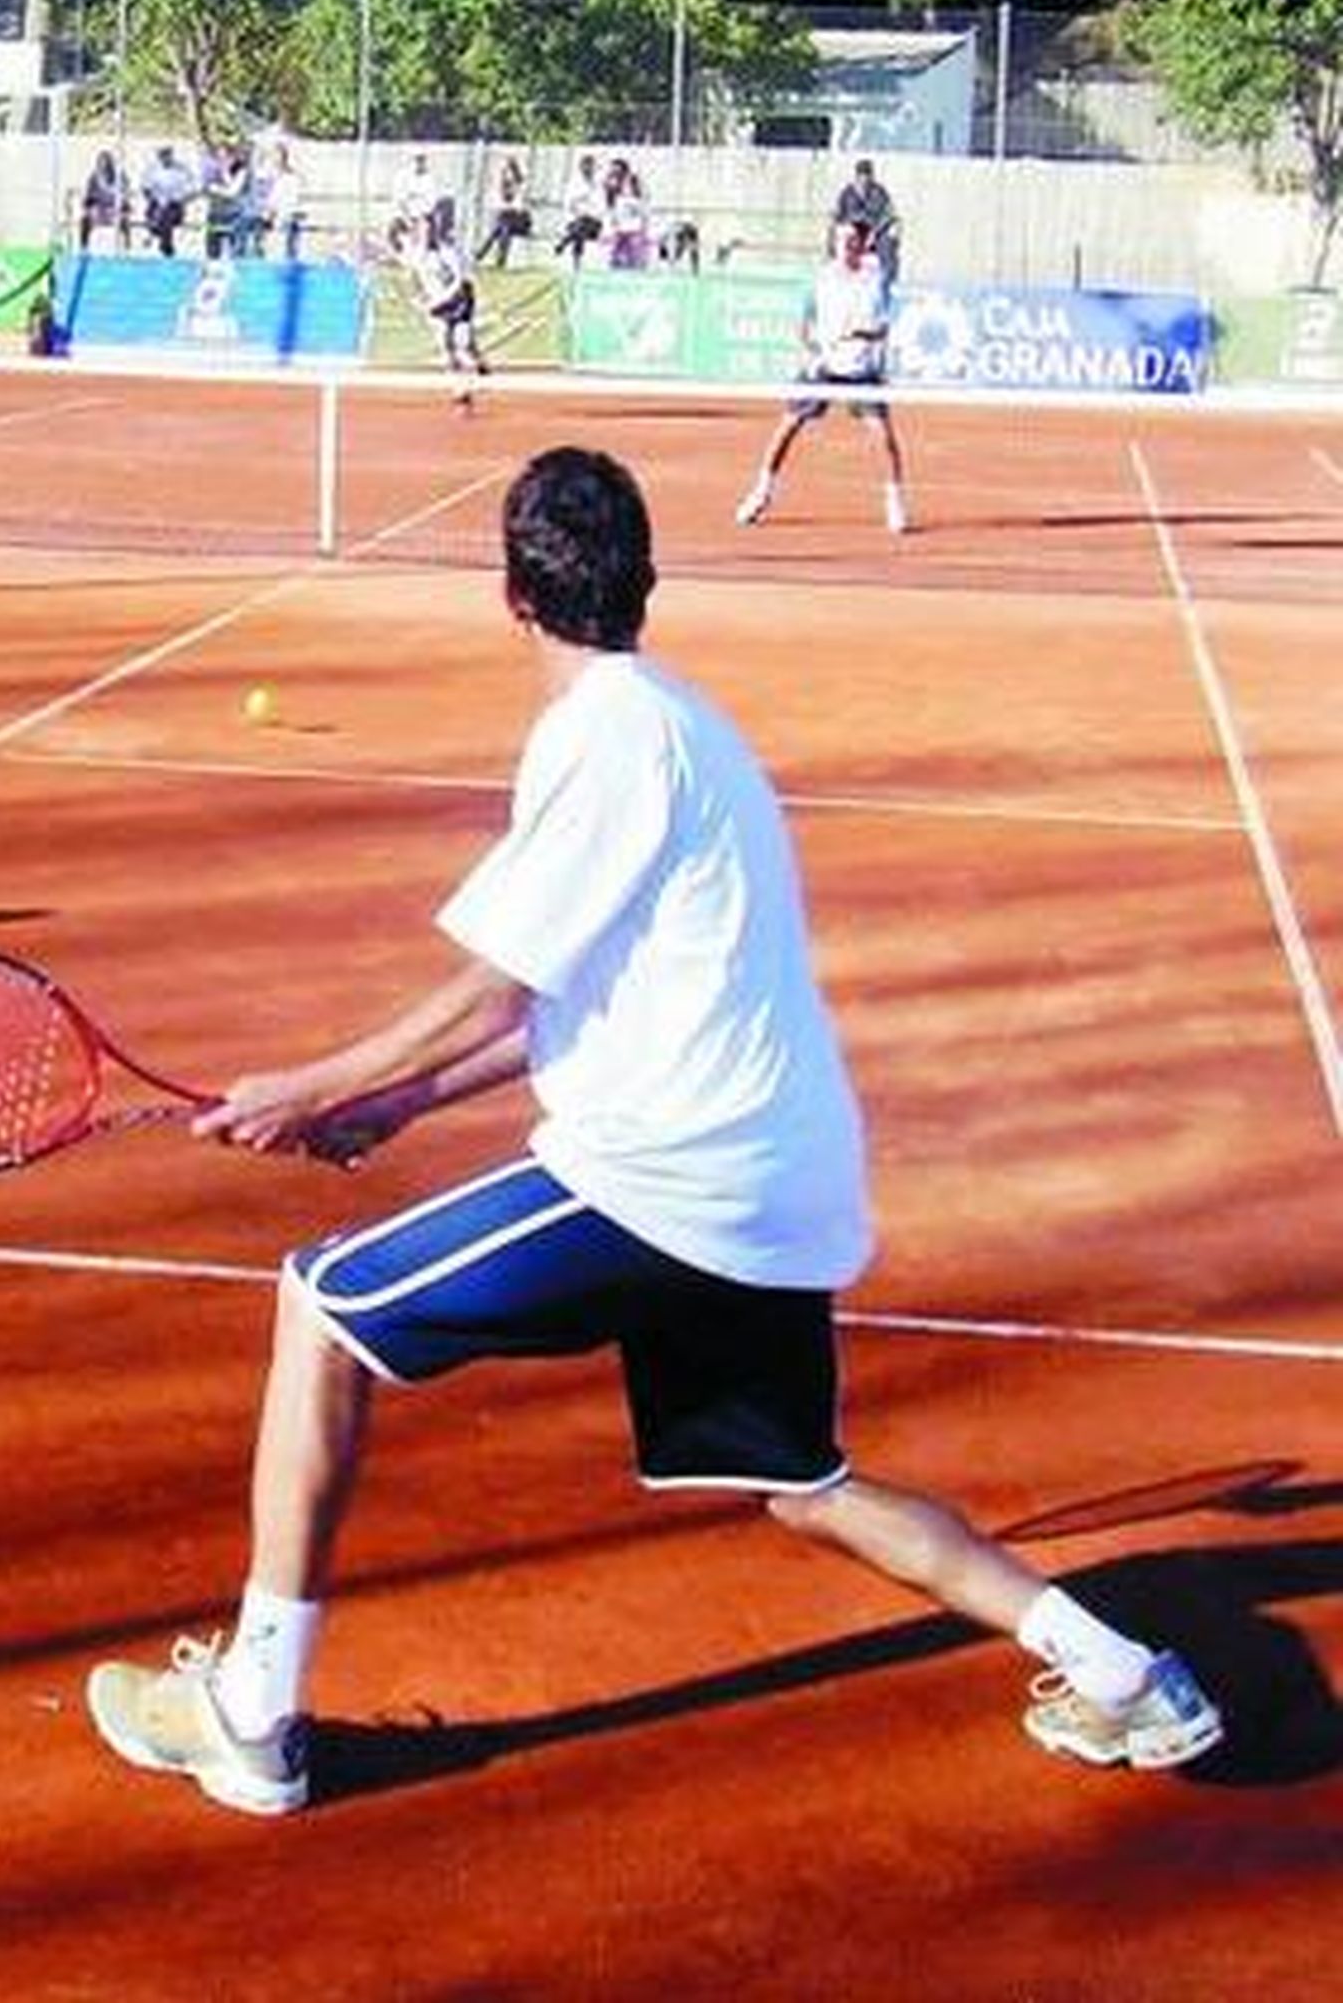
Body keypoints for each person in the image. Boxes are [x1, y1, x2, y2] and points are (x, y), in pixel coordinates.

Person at [84, 444, 1224, 1819]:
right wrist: (397, 1106)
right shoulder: (687, 726)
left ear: (510, 595)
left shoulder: (602, 738)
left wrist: (311, 1085)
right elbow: (577, 1003)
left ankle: (253, 1717)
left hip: (666, 1181)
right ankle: (1127, 1676)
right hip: (777, 1188)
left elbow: (496, 981)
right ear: (646, 584)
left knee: (322, 1308)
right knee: (805, 1485)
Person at [735, 221, 911, 534]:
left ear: (862, 243)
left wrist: (861, 333)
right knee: (787, 427)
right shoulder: (822, 278)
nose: (845, 245)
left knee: (883, 437)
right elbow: (803, 326)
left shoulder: (875, 279)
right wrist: (813, 351)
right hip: (823, 368)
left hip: (861, 371)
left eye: (852, 240)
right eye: (840, 239)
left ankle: (894, 502)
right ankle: (761, 493)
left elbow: (883, 327)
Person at [392, 210, 489, 398]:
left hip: (460, 299)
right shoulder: (416, 253)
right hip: (438, 303)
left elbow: (459, 280)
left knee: (465, 343)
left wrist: (441, 299)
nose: (424, 234)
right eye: (421, 229)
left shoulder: (448, 251)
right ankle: (460, 387)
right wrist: (420, 298)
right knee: (445, 344)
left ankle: (478, 361)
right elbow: (411, 274)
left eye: (428, 229)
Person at [831, 157, 900, 297]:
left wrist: (875, 232)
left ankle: (886, 284)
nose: (864, 180)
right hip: (853, 232)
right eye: (861, 176)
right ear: (856, 177)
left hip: (875, 231)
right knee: (845, 242)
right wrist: (843, 227)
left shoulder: (879, 192)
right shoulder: (847, 193)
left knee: (887, 243)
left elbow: (889, 214)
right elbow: (838, 216)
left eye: (867, 176)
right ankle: (844, 281)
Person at [474, 154, 532, 267]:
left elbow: (519, 209)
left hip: (521, 222)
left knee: (502, 226)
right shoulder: (502, 190)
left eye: (509, 181)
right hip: (507, 221)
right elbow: (500, 205)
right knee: (501, 229)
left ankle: (483, 256)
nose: (507, 185)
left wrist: (509, 206)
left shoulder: (520, 188)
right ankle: (492, 258)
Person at [141, 145, 196, 258]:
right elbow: (145, 188)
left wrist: (179, 198)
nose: (164, 158)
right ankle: (165, 244)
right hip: (156, 204)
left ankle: (154, 233)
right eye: (162, 155)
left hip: (175, 205)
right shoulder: (152, 170)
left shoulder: (182, 170)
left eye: (167, 155)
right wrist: (154, 197)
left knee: (166, 213)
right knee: (158, 211)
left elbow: (191, 190)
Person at [554, 150, 604, 268]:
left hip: (593, 223)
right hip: (575, 221)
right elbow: (569, 205)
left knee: (581, 226)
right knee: (579, 228)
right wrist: (580, 214)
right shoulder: (573, 184)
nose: (588, 169)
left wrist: (590, 214)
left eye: (590, 166)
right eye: (585, 166)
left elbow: (601, 207)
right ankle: (576, 262)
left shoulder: (598, 185)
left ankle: (564, 242)